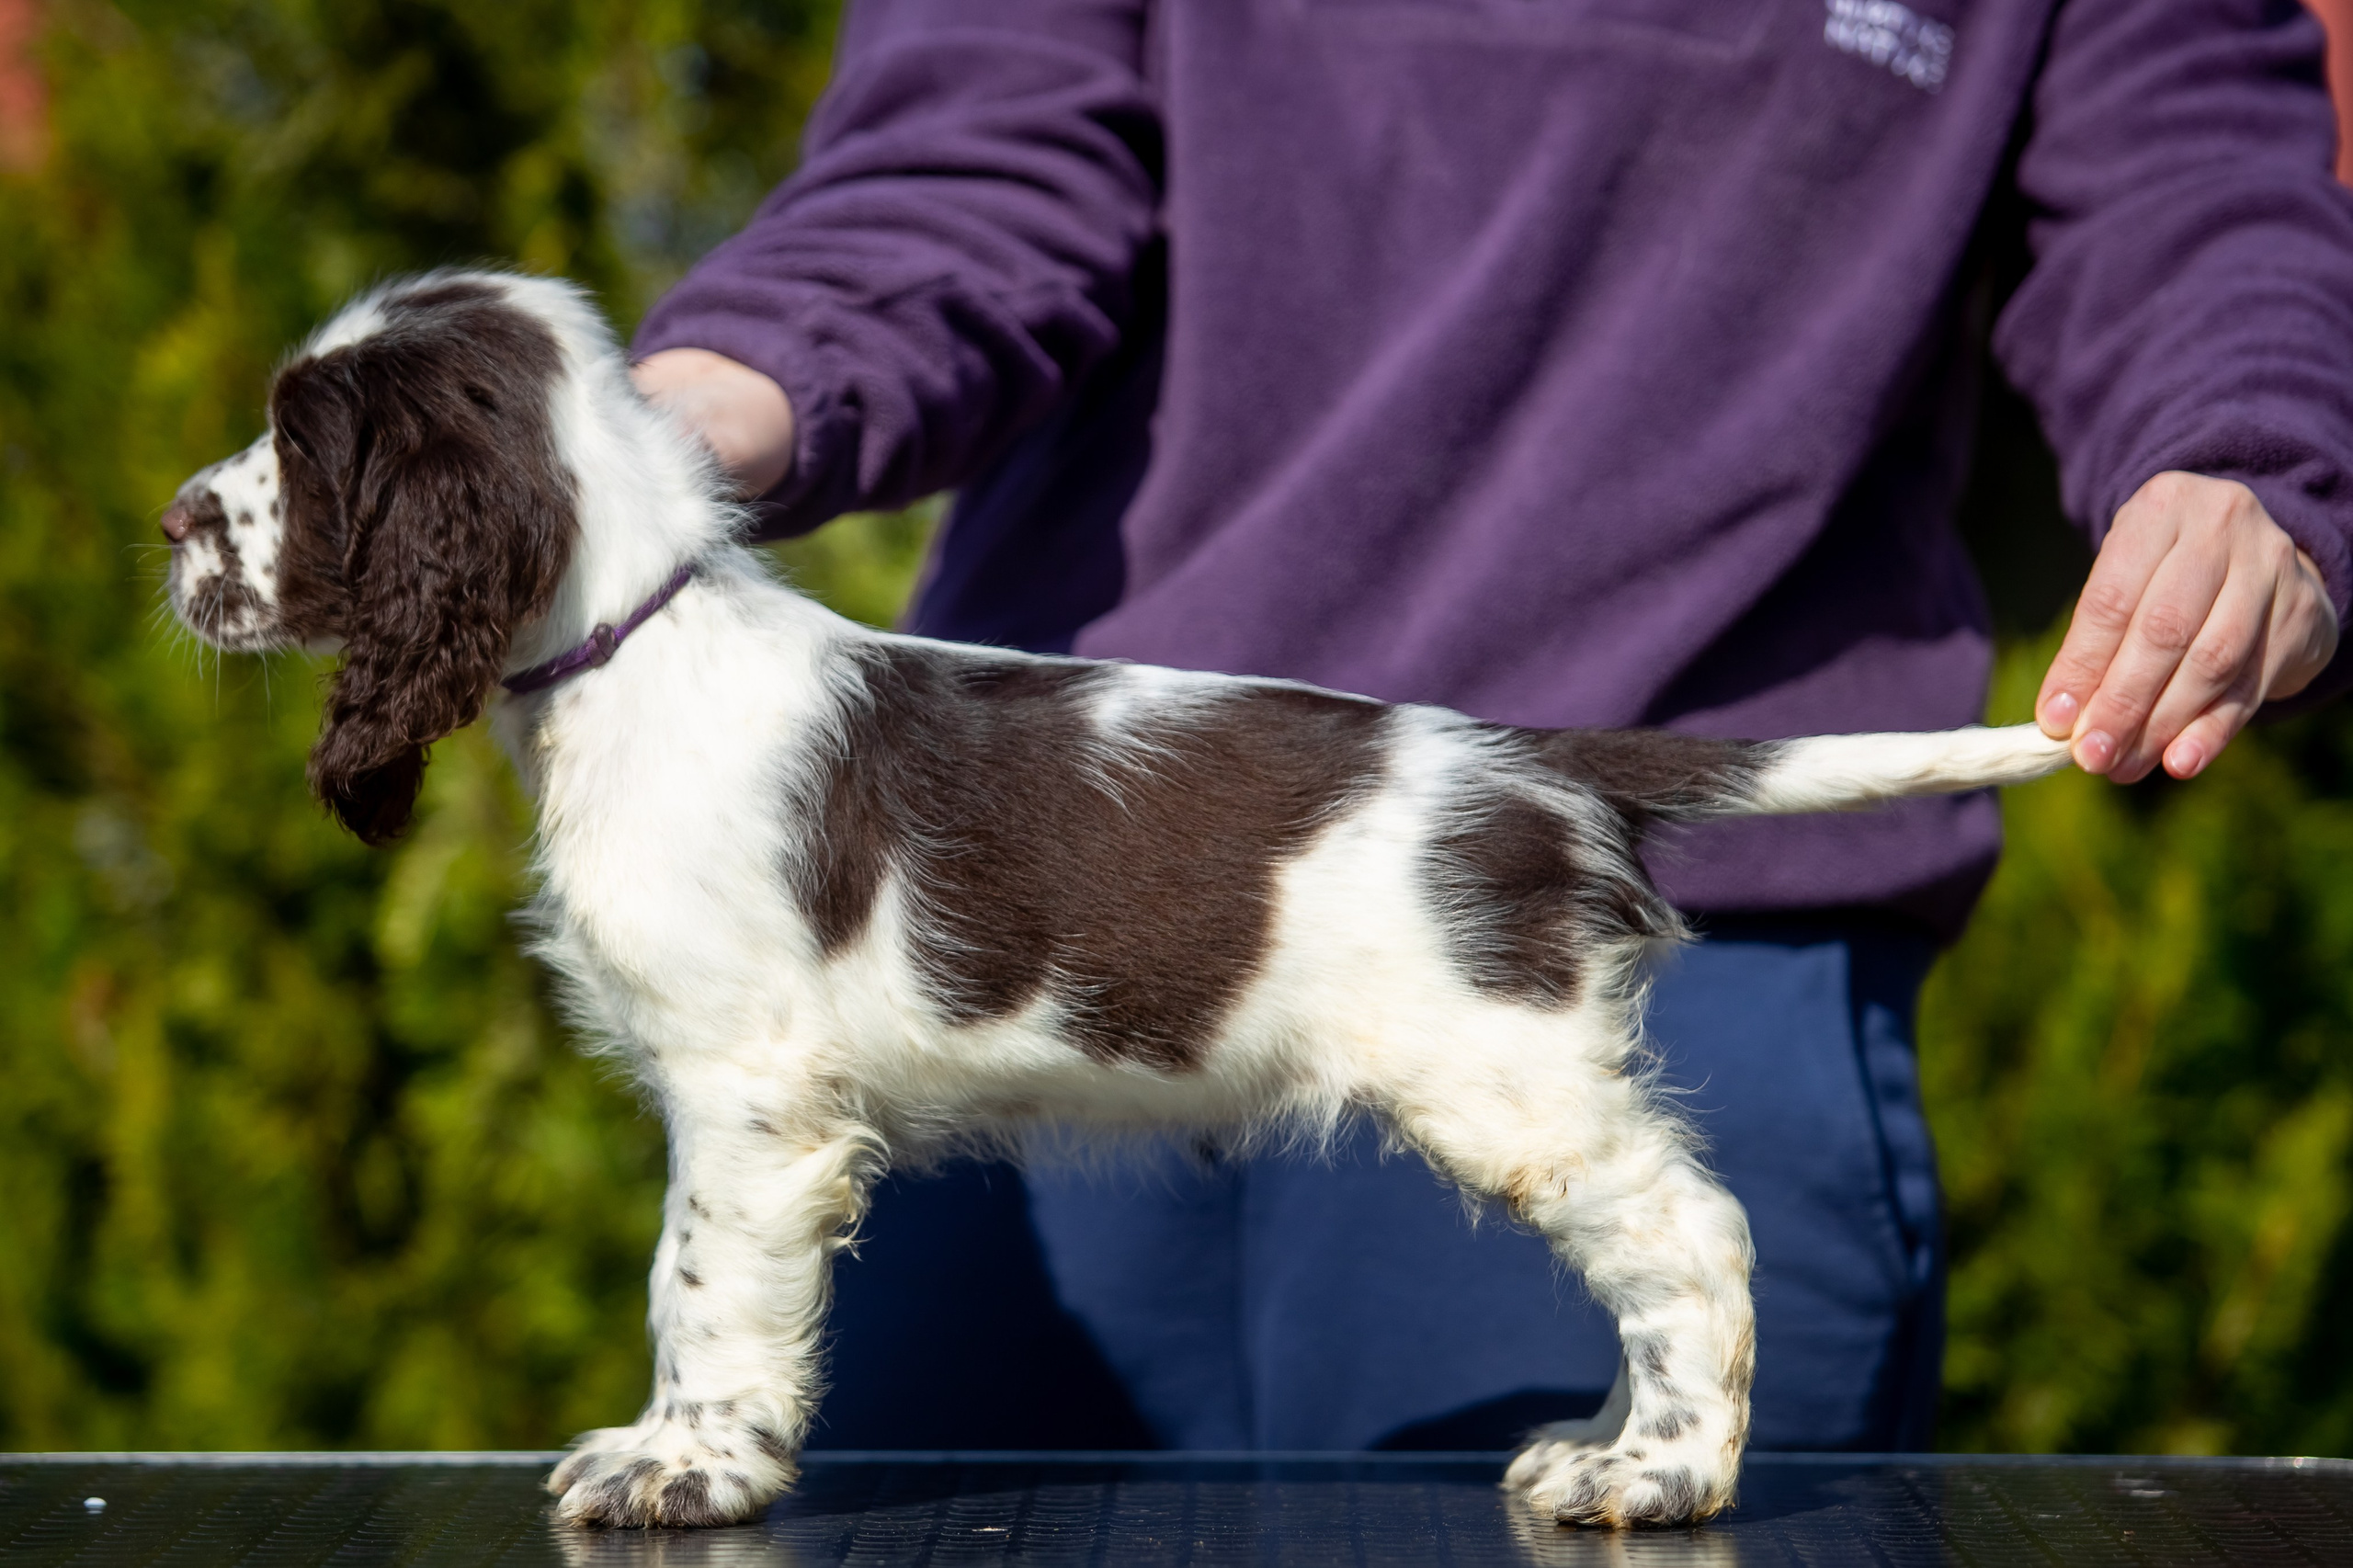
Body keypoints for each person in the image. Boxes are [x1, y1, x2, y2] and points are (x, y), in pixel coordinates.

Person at [624, 0, 2349, 1452]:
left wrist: (2254, 453)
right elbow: (972, 155)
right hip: (1018, 902)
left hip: (1636, 895)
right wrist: (696, 410)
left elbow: (2199, 188)